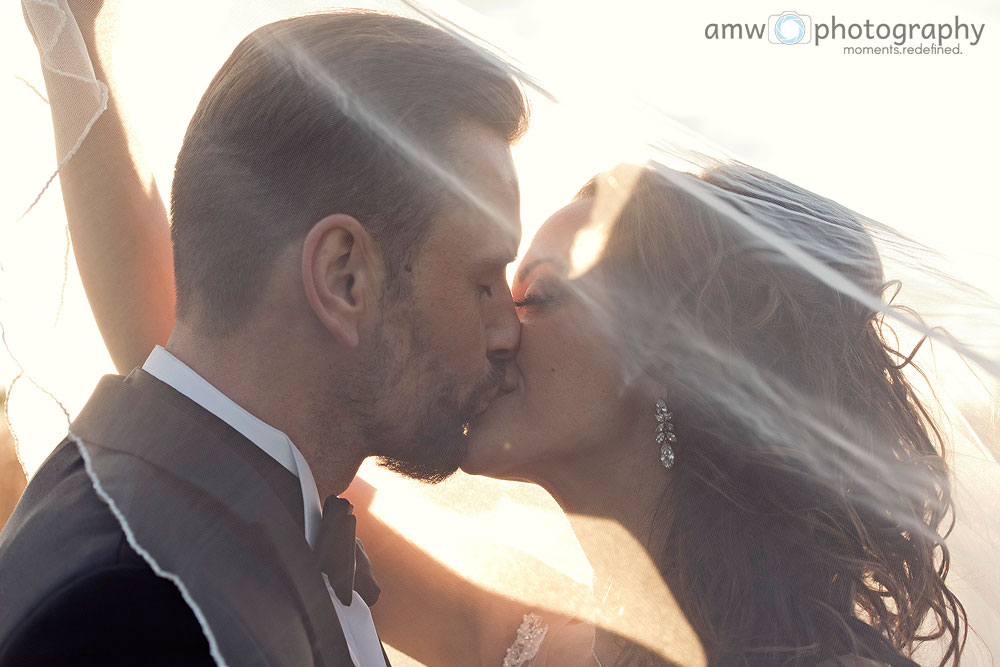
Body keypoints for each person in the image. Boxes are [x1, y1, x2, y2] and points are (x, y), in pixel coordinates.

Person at [10, 4, 970, 667]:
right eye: (489, 282)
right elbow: (208, 366)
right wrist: (73, 41)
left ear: (673, 365)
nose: (496, 328)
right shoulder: (528, 636)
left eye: (534, 294)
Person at [0, 6, 528, 666]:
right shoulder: (121, 613)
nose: (511, 329)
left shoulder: (263, 506)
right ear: (345, 278)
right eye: (484, 279)